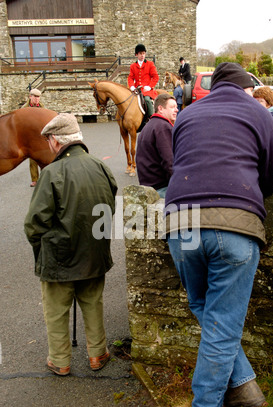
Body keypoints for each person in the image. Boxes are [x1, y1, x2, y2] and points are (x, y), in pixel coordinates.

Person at [164, 62, 273, 407]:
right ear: (248, 89)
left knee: (205, 308)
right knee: (224, 322)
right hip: (234, 226)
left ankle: (246, 387)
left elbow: (180, 162)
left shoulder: (186, 114)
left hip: (180, 224)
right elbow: (272, 176)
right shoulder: (259, 114)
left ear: (214, 87)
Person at [24, 113, 117, 376]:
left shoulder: (51, 173)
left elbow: (34, 223)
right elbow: (110, 204)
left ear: (55, 140)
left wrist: (40, 251)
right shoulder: (100, 166)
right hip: (95, 253)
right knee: (92, 303)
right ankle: (98, 354)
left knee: (56, 310)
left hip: (59, 255)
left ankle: (60, 360)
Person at [136, 93, 178, 198]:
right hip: (161, 188)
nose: (176, 110)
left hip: (149, 185)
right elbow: (169, 161)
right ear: (160, 108)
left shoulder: (149, 126)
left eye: (176, 107)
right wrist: (180, 185)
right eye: (172, 107)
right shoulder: (163, 127)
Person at [128, 43, 159, 117]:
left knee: (147, 100)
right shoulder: (133, 66)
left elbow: (155, 77)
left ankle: (151, 118)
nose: (142, 55)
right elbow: (130, 78)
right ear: (136, 55)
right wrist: (132, 86)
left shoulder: (150, 64)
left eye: (143, 53)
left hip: (146, 90)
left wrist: (149, 86)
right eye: (140, 53)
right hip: (137, 90)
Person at [22, 88, 44, 187]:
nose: (36, 99)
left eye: (38, 97)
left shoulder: (42, 107)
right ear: (30, 97)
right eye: (35, 97)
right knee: (33, 158)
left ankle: (45, 177)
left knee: (44, 157)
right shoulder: (24, 109)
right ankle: (35, 179)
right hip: (30, 136)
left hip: (41, 135)